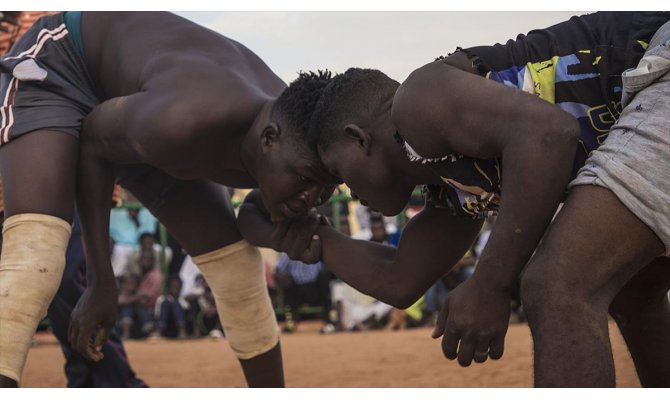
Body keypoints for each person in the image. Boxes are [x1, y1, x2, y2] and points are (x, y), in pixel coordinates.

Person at [239, 12, 670, 387]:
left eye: (339, 173)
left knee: (556, 285)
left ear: (358, 139)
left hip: (657, 65)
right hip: (647, 104)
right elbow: (399, 278)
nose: (348, 191)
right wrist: (307, 238)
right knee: (633, 289)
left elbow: (548, 135)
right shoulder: (452, 187)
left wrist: (491, 284)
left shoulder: (416, 103)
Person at [0, 11, 337, 387]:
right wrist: (101, 280)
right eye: (306, 182)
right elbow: (97, 140)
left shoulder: (295, 136)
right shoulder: (186, 121)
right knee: (35, 256)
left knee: (237, 268)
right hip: (64, 66)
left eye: (323, 190)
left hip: (138, 106)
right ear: (269, 140)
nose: (311, 198)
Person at [0, 11, 147, 388]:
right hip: (11, 182)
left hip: (59, 182)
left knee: (69, 284)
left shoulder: (54, 19)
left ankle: (107, 383)